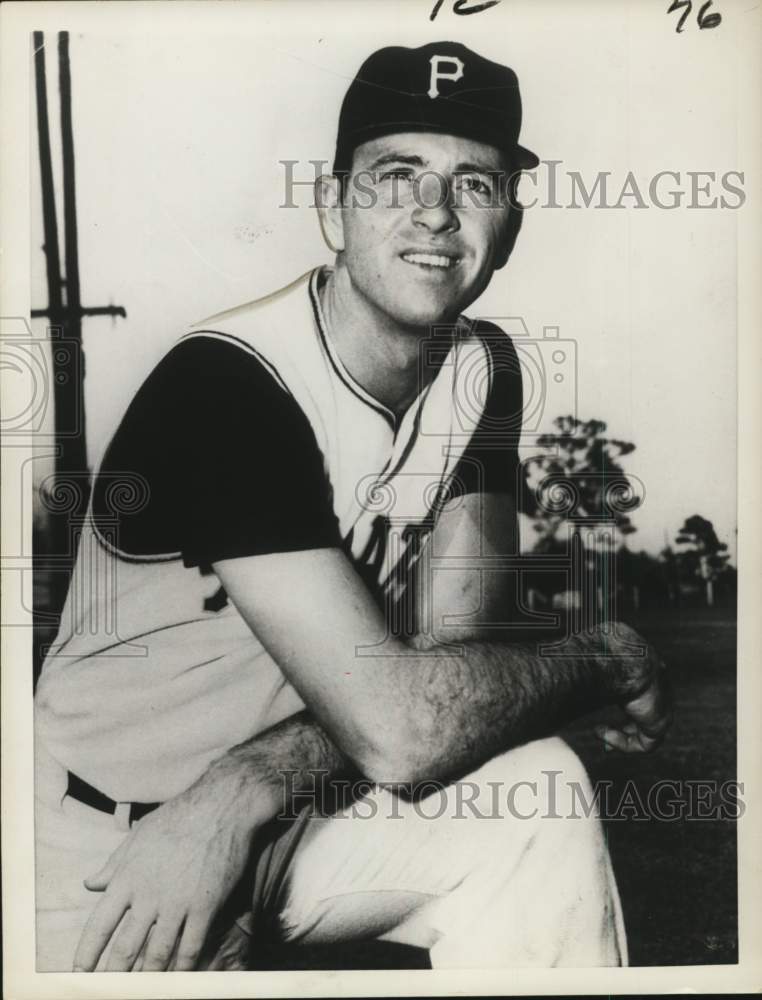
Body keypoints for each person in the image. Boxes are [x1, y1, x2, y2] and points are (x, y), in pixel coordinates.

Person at [34, 40, 671, 973]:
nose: (437, 214)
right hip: (106, 849)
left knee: (538, 796)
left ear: (513, 223)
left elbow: (452, 674)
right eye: (396, 174)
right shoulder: (231, 385)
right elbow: (405, 732)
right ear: (333, 207)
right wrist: (607, 655)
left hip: (287, 811)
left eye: (476, 183)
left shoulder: (480, 371)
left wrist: (247, 783)